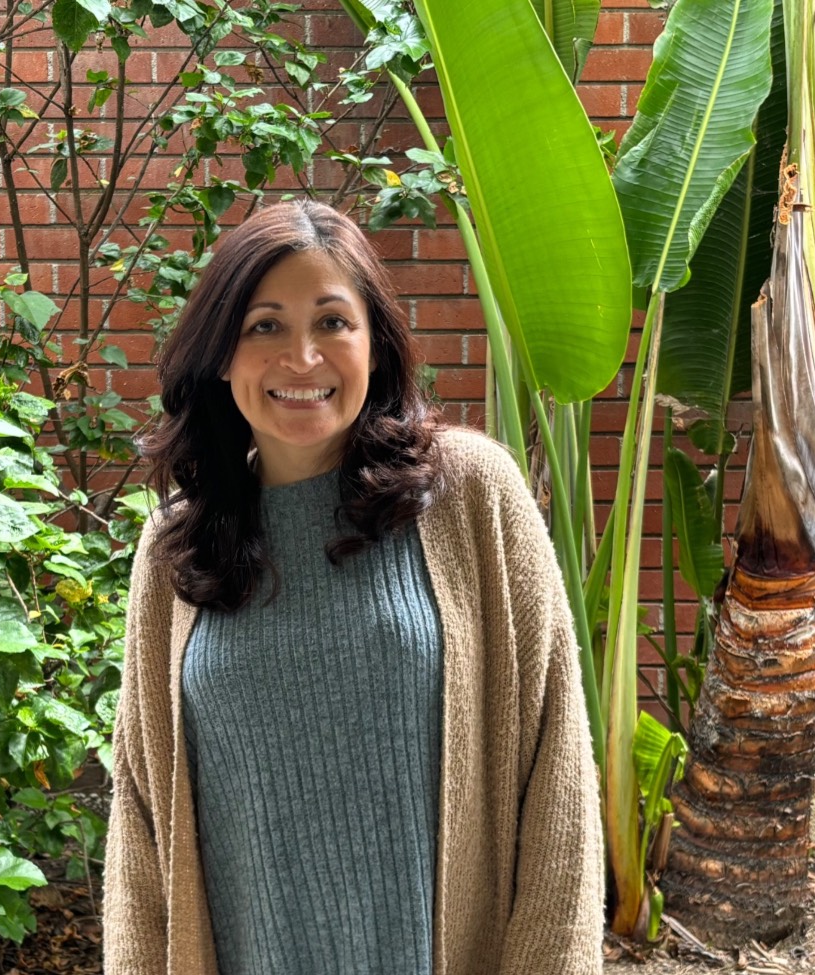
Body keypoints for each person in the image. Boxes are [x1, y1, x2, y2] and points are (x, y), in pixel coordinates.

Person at [103, 199, 603, 975]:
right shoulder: (177, 547)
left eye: (332, 322)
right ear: (220, 354)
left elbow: (556, 777)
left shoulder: (468, 494)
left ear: (375, 345)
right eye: (264, 325)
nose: (301, 357)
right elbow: (140, 818)